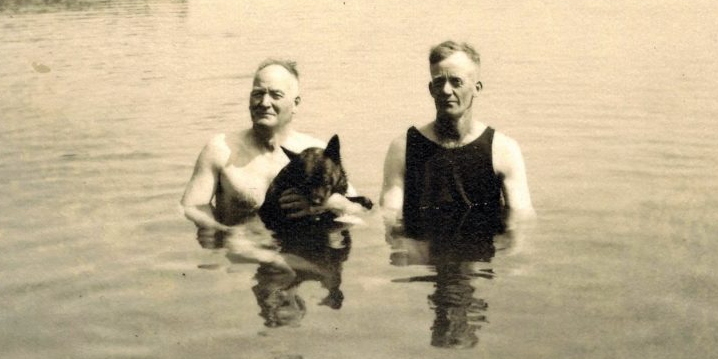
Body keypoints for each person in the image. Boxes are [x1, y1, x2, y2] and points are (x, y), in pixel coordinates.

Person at [181, 59, 365, 232]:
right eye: (258, 94)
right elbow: (191, 209)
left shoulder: (317, 153)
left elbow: (360, 210)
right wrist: (226, 235)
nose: (264, 103)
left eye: (276, 95)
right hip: (245, 256)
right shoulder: (220, 149)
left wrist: (328, 203)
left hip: (301, 250)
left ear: (296, 104)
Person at [380, 41, 534, 238]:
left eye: (456, 81)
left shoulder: (503, 149)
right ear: (431, 89)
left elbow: (521, 222)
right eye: (438, 82)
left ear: (476, 88)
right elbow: (390, 217)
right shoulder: (403, 147)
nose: (446, 90)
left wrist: (505, 261)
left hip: (480, 259)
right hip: (424, 259)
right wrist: (410, 252)